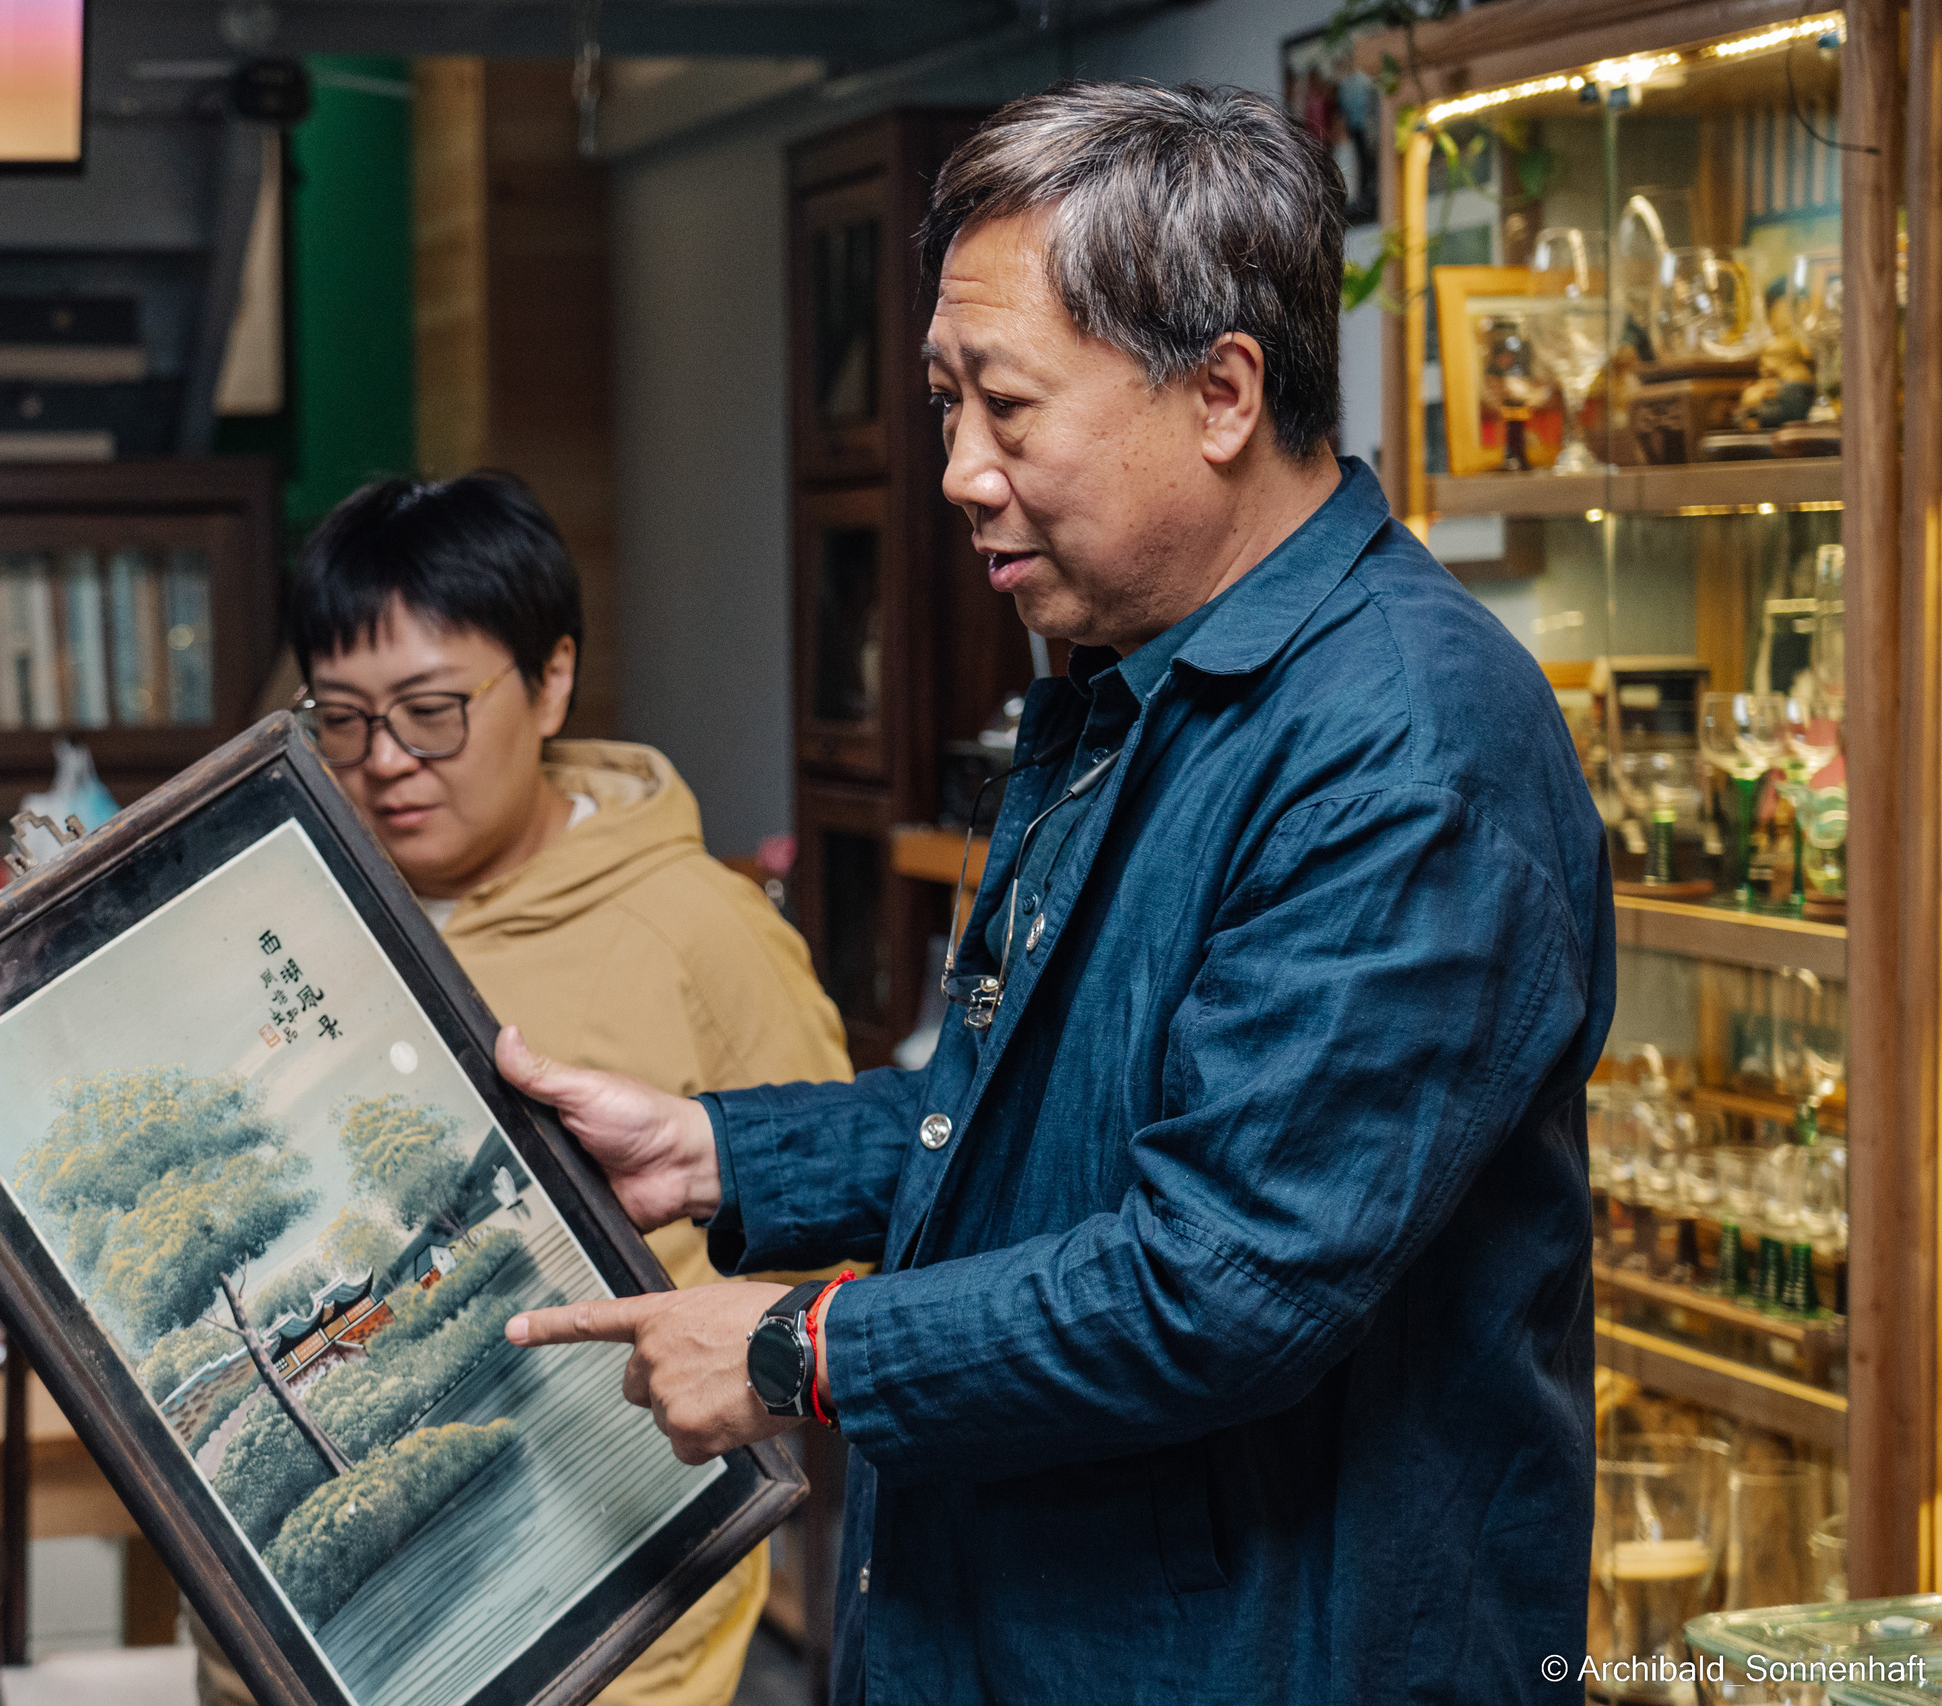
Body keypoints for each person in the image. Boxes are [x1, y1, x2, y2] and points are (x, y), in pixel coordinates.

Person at [495, 83, 1616, 1704]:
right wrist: (721, 1151)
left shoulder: (1409, 748)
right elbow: (1030, 1120)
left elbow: (1216, 1279)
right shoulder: (1122, 681)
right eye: (945, 404)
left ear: (1221, 391)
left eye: (1005, 407)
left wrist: (793, 1347)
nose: (957, 470)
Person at [192, 471, 851, 1706]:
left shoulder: (695, 930)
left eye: (431, 710)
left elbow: (852, 1235)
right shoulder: (282, 914)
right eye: (339, 717)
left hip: (603, 1640)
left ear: (550, 679)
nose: (384, 760)